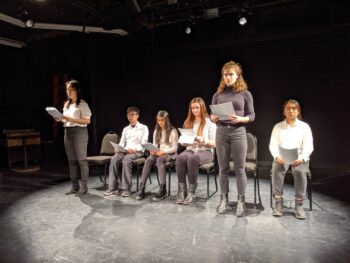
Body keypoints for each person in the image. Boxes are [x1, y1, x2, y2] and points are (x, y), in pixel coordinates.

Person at [210, 60, 255, 217]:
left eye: (230, 74)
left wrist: (241, 119)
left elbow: (252, 115)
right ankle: (224, 199)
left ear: (237, 76)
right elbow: (212, 115)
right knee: (222, 168)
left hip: (238, 132)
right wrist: (213, 118)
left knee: (239, 169)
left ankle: (241, 201)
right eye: (225, 75)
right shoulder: (218, 95)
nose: (227, 77)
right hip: (221, 132)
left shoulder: (245, 94)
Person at [269, 99, 313, 219]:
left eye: (294, 108)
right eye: (288, 108)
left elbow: (309, 146)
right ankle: (278, 202)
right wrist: (277, 157)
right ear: (284, 111)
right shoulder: (278, 127)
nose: (291, 111)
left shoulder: (305, 127)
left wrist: (303, 158)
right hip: (282, 156)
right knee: (276, 169)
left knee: (299, 171)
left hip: (298, 156)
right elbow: (272, 145)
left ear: (298, 111)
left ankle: (299, 204)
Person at [176, 97, 216, 205]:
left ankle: (191, 192)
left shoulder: (209, 122)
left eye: (197, 108)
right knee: (179, 158)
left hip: (206, 151)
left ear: (202, 107)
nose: (195, 110)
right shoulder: (188, 122)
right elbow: (184, 141)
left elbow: (215, 143)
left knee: (193, 159)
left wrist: (203, 140)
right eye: (193, 108)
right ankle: (182, 190)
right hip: (191, 149)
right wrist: (185, 142)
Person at [55, 79, 92, 196]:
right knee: (71, 161)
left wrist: (71, 119)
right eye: (68, 90)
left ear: (77, 91)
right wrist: (59, 118)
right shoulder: (67, 104)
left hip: (79, 132)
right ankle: (74, 186)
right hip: (68, 132)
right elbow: (65, 120)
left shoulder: (82, 104)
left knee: (82, 160)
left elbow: (87, 120)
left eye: (72, 90)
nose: (69, 92)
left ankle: (84, 187)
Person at [104, 106, 149, 197]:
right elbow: (122, 142)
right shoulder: (126, 129)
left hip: (138, 151)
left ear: (137, 116)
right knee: (114, 159)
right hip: (125, 151)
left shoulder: (143, 128)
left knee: (126, 160)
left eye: (132, 115)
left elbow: (144, 143)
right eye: (128, 115)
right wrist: (118, 148)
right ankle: (113, 187)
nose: (130, 117)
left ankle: (126, 188)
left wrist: (135, 149)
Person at [135, 110, 178, 201]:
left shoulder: (173, 131)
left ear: (167, 120)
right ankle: (142, 188)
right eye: (159, 120)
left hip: (170, 154)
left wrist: (164, 151)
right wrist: (152, 150)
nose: (160, 122)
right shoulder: (156, 131)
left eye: (162, 120)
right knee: (149, 159)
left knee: (159, 160)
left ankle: (163, 189)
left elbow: (175, 148)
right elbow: (154, 145)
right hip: (159, 153)